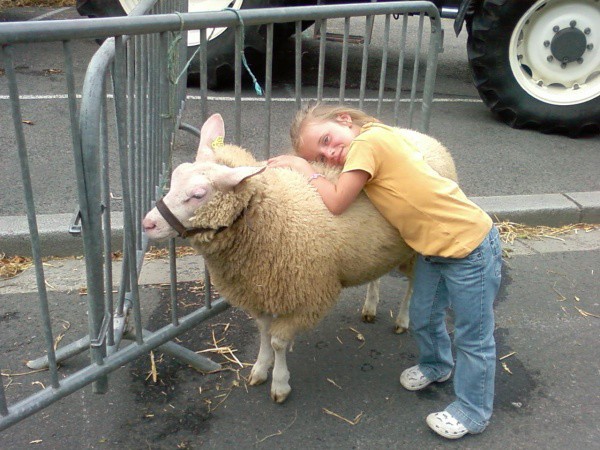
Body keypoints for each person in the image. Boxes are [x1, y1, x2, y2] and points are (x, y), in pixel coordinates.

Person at [267, 103, 503, 440]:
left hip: (470, 248)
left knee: (473, 337)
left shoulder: (367, 144)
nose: (330, 153)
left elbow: (336, 202)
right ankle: (437, 365)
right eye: (320, 155)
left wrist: (304, 168)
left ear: (345, 119)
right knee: (423, 314)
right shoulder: (373, 140)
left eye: (326, 139)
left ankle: (473, 411)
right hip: (434, 250)